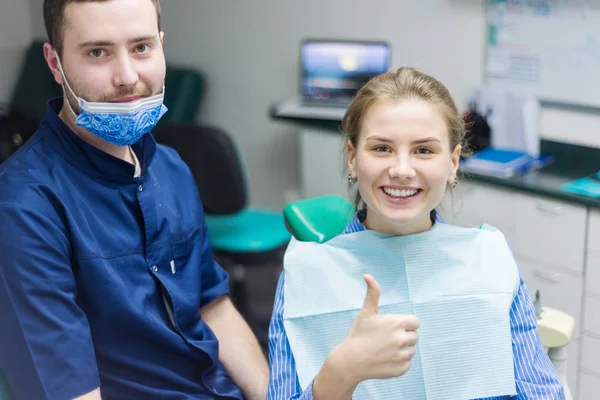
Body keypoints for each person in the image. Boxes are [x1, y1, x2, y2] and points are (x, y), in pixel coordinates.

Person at [0, 0, 269, 399]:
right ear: (55, 63)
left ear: (161, 45)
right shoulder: (24, 205)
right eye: (97, 52)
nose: (127, 76)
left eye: (141, 48)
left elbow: (212, 306)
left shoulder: (171, 168)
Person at [266, 67, 565, 399]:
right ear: (352, 158)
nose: (402, 170)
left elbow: (540, 392)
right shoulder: (307, 275)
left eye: (424, 150)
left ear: (453, 163)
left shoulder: (489, 261)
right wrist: (340, 372)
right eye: (382, 148)